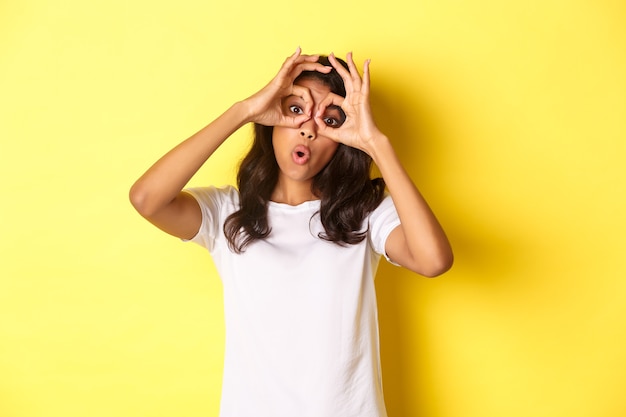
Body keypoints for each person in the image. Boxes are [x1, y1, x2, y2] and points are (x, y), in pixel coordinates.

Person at [129, 48, 453, 417]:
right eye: (296, 109)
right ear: (272, 119)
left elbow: (434, 260)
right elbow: (146, 199)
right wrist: (244, 111)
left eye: (330, 120)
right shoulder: (227, 214)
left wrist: (376, 144)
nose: (308, 128)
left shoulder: (363, 212)